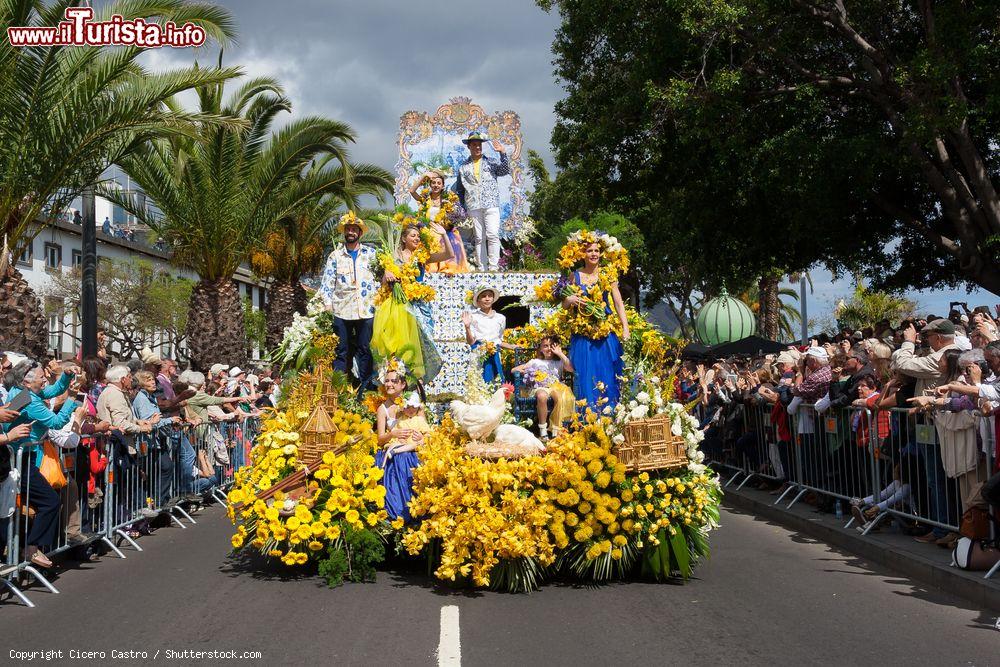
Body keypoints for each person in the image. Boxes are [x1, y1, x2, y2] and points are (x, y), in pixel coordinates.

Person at [371, 222, 453, 383]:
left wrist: (444, 234)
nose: (416, 238)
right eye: (412, 235)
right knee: (399, 344)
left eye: (417, 236)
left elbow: (448, 254)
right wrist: (386, 272)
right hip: (399, 307)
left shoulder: (422, 256)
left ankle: (418, 382)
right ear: (403, 238)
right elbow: (383, 284)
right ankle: (397, 381)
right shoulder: (392, 257)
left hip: (419, 305)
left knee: (423, 341)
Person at [561, 236, 629, 409]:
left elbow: (618, 303)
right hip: (583, 335)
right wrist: (570, 298)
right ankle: (587, 419)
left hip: (605, 333)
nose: (593, 254)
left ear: (601, 253)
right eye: (589, 250)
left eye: (596, 250)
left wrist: (625, 328)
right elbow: (564, 305)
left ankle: (611, 416)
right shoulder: (575, 275)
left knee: (608, 373)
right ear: (583, 254)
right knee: (585, 375)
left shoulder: (608, 274)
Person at [318, 211, 379, 392]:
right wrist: (327, 304)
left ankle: (366, 388)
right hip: (341, 309)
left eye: (354, 229)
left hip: (366, 309)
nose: (351, 232)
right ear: (344, 232)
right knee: (341, 351)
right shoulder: (335, 256)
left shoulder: (372, 254)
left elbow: (380, 276)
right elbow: (327, 283)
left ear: (360, 233)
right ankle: (338, 389)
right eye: (348, 229)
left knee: (365, 349)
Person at [374, 363, 430, 523]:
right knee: (402, 457)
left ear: (403, 384)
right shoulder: (383, 409)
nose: (389, 384)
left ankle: (417, 507)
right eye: (387, 381)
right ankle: (401, 510)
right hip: (395, 447)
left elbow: (425, 430)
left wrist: (420, 437)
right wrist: (393, 433)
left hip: (414, 447)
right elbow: (380, 438)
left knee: (409, 456)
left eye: (394, 381)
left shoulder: (414, 404)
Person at [453, 132, 510, 271]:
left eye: (479, 145)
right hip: (473, 205)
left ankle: (493, 267)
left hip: (491, 203)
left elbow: (504, 170)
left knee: (492, 234)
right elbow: (460, 189)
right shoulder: (463, 167)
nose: (477, 147)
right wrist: (462, 207)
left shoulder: (491, 161)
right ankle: (481, 267)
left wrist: (502, 153)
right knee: (479, 237)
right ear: (469, 147)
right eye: (474, 145)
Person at [511, 336, 575, 439]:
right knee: (541, 396)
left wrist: (560, 353)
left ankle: (555, 428)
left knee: (560, 397)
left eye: (552, 346)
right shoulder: (535, 361)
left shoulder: (559, 362)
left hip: (556, 386)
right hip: (540, 386)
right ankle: (543, 429)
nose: (549, 349)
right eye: (545, 346)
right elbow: (514, 370)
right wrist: (524, 371)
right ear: (540, 349)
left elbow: (571, 369)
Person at [410, 170, 469, 273]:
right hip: (429, 233)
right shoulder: (425, 200)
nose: (436, 185)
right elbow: (412, 191)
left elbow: (458, 216)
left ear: (442, 186)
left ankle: (445, 266)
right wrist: (424, 176)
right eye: (433, 183)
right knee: (431, 235)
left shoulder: (448, 200)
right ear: (430, 185)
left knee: (443, 235)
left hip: (444, 233)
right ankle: (431, 267)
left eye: (439, 183)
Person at [462, 286, 517, 383]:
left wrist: (512, 346)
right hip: (479, 355)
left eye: (490, 296)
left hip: (495, 354)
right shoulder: (473, 317)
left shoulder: (501, 318)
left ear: (493, 299)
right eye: (483, 296)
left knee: (495, 382)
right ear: (478, 300)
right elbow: (471, 342)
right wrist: (467, 327)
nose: (487, 299)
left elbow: (498, 340)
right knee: (478, 383)